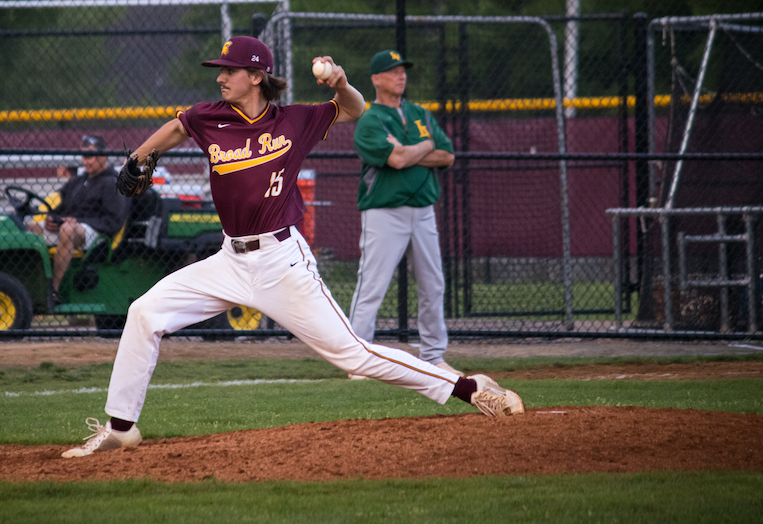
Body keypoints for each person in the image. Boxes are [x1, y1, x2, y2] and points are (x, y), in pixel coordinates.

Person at [61, 37, 523, 458]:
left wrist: (340, 82)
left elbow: (354, 109)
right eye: (219, 69)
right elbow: (176, 128)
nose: (220, 76)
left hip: (281, 261)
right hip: (227, 259)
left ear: (257, 76)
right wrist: (140, 157)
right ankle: (121, 427)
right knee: (144, 313)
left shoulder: (294, 120)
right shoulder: (209, 116)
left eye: (230, 70)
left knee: (352, 353)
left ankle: (471, 388)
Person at [348, 49, 459, 378]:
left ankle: (433, 356)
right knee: (372, 286)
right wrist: (425, 146)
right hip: (384, 213)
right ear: (376, 79)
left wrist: (413, 149)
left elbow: (448, 155)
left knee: (433, 285)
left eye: (403, 70)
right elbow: (395, 161)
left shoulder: (419, 113)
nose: (401, 75)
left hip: (424, 210)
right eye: (393, 71)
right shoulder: (370, 120)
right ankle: (356, 358)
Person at [27, 134, 130, 306]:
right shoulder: (78, 181)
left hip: (97, 235)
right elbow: (61, 209)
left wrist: (77, 221)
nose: (85, 161)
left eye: (90, 156)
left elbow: (113, 221)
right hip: (71, 226)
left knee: (68, 229)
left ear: (103, 157)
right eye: (83, 156)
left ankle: (53, 290)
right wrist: (53, 219)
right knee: (31, 228)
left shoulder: (112, 182)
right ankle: (30, 285)